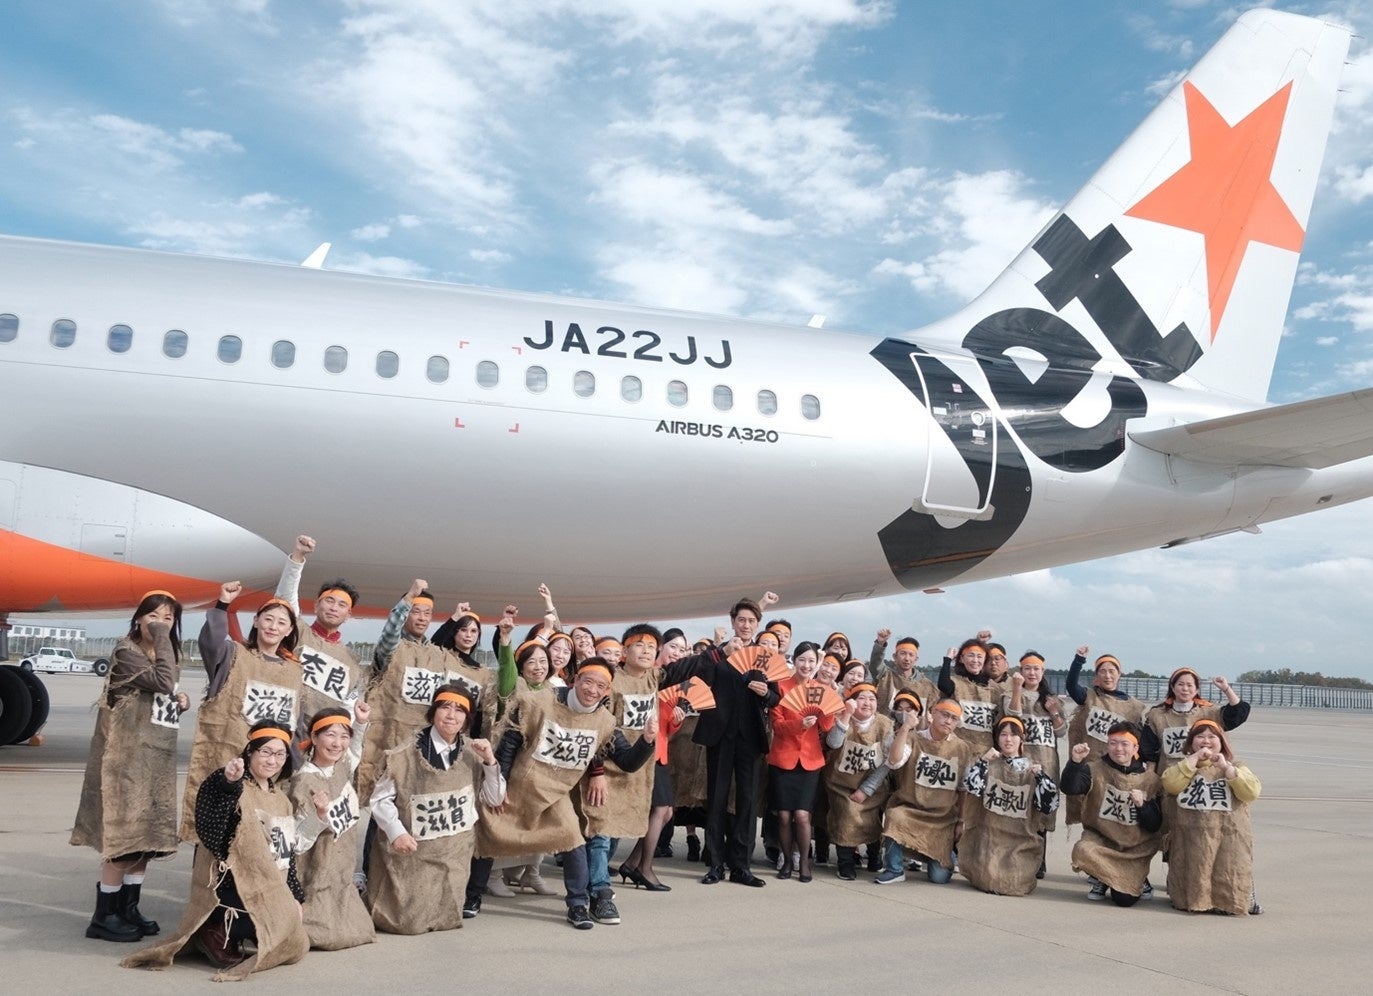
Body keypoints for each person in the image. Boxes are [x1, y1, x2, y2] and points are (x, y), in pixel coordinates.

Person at [475, 660, 657, 928]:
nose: (592, 690)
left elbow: (627, 762)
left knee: (573, 840)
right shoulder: (537, 702)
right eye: (588, 681)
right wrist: (499, 786)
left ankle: (578, 905)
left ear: (607, 691)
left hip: (556, 794)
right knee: (490, 835)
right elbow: (509, 744)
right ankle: (472, 895)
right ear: (575, 680)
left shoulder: (605, 721)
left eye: (600, 686)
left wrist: (647, 740)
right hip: (519, 786)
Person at [123, 722, 310, 980]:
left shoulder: (280, 799)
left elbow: (285, 856)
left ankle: (240, 928)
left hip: (268, 880)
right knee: (274, 921)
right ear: (250, 753)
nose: (272, 760)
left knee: (291, 930)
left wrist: (295, 896)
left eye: (280, 754)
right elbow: (212, 834)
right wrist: (229, 784)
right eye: (265, 752)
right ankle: (218, 929)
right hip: (231, 882)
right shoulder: (226, 782)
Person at [72, 590, 190, 942]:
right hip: (127, 760)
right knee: (124, 839)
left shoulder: (164, 653)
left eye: (169, 617)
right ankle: (103, 915)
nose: (162, 622)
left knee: (147, 838)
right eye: (154, 615)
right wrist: (163, 638)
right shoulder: (128, 651)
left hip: (154, 758)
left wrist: (179, 702)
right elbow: (163, 681)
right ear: (139, 617)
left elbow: (163, 693)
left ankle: (128, 907)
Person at [656, 598, 781, 887]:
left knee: (747, 801)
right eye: (741, 620)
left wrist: (765, 693)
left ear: (757, 624)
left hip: (750, 735)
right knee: (716, 797)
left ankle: (741, 866)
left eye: (751, 621)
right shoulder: (718, 653)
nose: (746, 625)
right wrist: (719, 654)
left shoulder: (765, 657)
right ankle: (715, 863)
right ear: (733, 622)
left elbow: (776, 697)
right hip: (719, 733)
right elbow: (699, 681)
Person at [367, 686, 505, 933]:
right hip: (414, 850)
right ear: (433, 712)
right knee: (408, 922)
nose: (451, 715)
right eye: (445, 707)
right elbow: (380, 800)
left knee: (445, 916)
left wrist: (490, 762)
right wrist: (396, 832)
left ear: (467, 719)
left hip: (454, 852)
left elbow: (494, 799)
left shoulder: (473, 752)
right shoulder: (404, 754)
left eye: (460, 710)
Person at [181, 583, 303, 844]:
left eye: (281, 622)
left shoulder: (294, 671)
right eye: (267, 619)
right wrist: (223, 605)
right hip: (228, 761)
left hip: (269, 769)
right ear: (256, 621)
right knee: (218, 831)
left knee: (258, 837)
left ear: (289, 630)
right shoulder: (233, 654)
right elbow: (210, 643)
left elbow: (295, 722)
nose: (273, 626)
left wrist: (295, 763)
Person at [582, 625, 662, 921]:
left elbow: (691, 666)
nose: (646, 651)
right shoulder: (610, 682)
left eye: (652, 647)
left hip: (638, 767)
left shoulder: (654, 678)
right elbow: (595, 727)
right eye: (639, 646)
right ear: (624, 651)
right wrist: (597, 771)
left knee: (616, 832)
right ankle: (600, 892)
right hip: (606, 769)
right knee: (601, 832)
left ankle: (595, 878)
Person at [288, 704, 375, 950]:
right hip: (317, 867)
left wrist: (360, 722)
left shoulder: (340, 766)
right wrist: (319, 816)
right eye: (330, 735)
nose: (337, 743)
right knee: (326, 933)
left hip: (343, 864)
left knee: (357, 928)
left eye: (343, 736)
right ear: (314, 737)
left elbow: (353, 753)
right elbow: (298, 842)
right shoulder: (304, 781)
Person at [359, 579, 448, 801]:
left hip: (419, 747)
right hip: (387, 742)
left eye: (427, 613)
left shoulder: (435, 655)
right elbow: (389, 636)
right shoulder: (393, 649)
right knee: (381, 806)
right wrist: (408, 598)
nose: (422, 618)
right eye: (416, 612)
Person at [1162, 718, 1262, 916]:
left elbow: (1251, 792)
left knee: (1228, 865)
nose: (1206, 741)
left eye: (1211, 736)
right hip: (1191, 834)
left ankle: (1235, 899)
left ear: (1222, 742)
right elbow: (1170, 784)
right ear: (1191, 742)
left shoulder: (1237, 766)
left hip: (1228, 833)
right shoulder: (1183, 766)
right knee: (1196, 866)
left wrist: (1226, 768)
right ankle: (1198, 900)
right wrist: (1194, 760)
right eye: (1199, 736)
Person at [1060, 721, 1163, 906]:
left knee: (1124, 900)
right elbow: (1070, 787)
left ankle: (1138, 879)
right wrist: (1075, 762)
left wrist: (1142, 806)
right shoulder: (1094, 769)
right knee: (1082, 850)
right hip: (1102, 841)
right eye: (1113, 743)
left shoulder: (1150, 779)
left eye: (1124, 744)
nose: (1118, 749)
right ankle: (1102, 877)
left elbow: (1155, 825)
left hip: (1134, 848)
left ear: (1135, 747)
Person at [957, 716, 1060, 896]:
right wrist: (983, 761)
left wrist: (1041, 777)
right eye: (1003, 734)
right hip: (989, 837)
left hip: (1020, 840)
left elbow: (1048, 806)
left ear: (1022, 738)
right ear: (997, 738)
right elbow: (971, 786)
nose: (1008, 739)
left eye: (1014, 735)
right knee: (987, 878)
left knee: (1014, 882)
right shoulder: (990, 764)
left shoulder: (1032, 768)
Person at [274, 535, 366, 733]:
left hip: (318, 740)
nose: (334, 608)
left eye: (342, 605)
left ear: (348, 615)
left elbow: (347, 708)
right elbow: (285, 598)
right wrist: (297, 557)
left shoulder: (351, 662)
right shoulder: (297, 631)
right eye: (329, 601)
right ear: (316, 606)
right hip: (281, 729)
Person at [878, 699, 975, 884]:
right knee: (895, 816)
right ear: (932, 714)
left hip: (942, 818)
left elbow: (963, 789)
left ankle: (947, 857)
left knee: (939, 877)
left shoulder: (962, 748)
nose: (948, 721)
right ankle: (895, 868)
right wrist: (906, 728)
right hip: (910, 809)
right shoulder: (914, 738)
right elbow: (893, 761)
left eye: (954, 718)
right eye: (945, 714)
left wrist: (961, 820)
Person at [766, 642, 834, 882]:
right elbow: (777, 724)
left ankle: (804, 862)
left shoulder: (820, 689)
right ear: (794, 661)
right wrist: (799, 724)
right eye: (802, 660)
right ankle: (785, 860)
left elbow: (827, 725)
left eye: (811, 661)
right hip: (782, 758)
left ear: (817, 664)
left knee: (803, 816)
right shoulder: (781, 687)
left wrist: (828, 710)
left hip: (810, 760)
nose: (806, 665)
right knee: (784, 816)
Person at [823, 683, 901, 881]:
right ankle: (846, 862)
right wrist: (846, 716)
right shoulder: (842, 717)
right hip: (841, 785)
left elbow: (888, 761)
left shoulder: (884, 724)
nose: (867, 703)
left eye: (872, 699)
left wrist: (867, 789)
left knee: (872, 820)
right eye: (862, 698)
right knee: (847, 816)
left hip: (872, 785)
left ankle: (875, 856)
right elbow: (833, 743)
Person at [1064, 646, 1146, 825]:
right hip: (1091, 764)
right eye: (1103, 671)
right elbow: (1071, 685)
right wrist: (1079, 659)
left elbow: (1140, 740)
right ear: (1097, 675)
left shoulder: (1134, 706)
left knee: (1113, 812)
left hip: (1119, 769)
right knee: (1091, 810)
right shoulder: (1089, 696)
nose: (1107, 676)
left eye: (1111, 671)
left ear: (1119, 674)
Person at [1004, 651, 1066, 877]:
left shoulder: (1052, 699)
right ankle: (1019, 855)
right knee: (1021, 806)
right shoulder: (1011, 693)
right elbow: (1012, 715)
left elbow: (1061, 731)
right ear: (1020, 671)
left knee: (1044, 809)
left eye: (1036, 669)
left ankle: (1039, 860)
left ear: (1043, 671)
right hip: (1022, 759)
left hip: (1047, 761)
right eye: (1027, 668)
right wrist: (1017, 690)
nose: (1031, 673)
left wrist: (1054, 712)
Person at [1140, 668, 1250, 774]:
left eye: (1189, 685)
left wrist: (1226, 688)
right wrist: (1150, 776)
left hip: (1204, 777)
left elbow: (1238, 712)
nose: (1185, 689)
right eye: (1180, 684)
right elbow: (1149, 749)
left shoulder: (1210, 712)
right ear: (1172, 687)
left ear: (1197, 689)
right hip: (1170, 775)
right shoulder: (1157, 715)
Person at [937, 638, 1000, 751]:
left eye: (979, 656)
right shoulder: (956, 683)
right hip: (958, 748)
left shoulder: (994, 689)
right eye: (971, 655)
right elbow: (943, 685)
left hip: (986, 751)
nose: (975, 660)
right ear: (962, 658)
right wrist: (948, 659)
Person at [868, 631, 937, 719]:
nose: (907, 658)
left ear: (916, 659)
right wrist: (880, 644)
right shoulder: (886, 676)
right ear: (895, 657)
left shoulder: (927, 685)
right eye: (903, 653)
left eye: (911, 655)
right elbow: (875, 664)